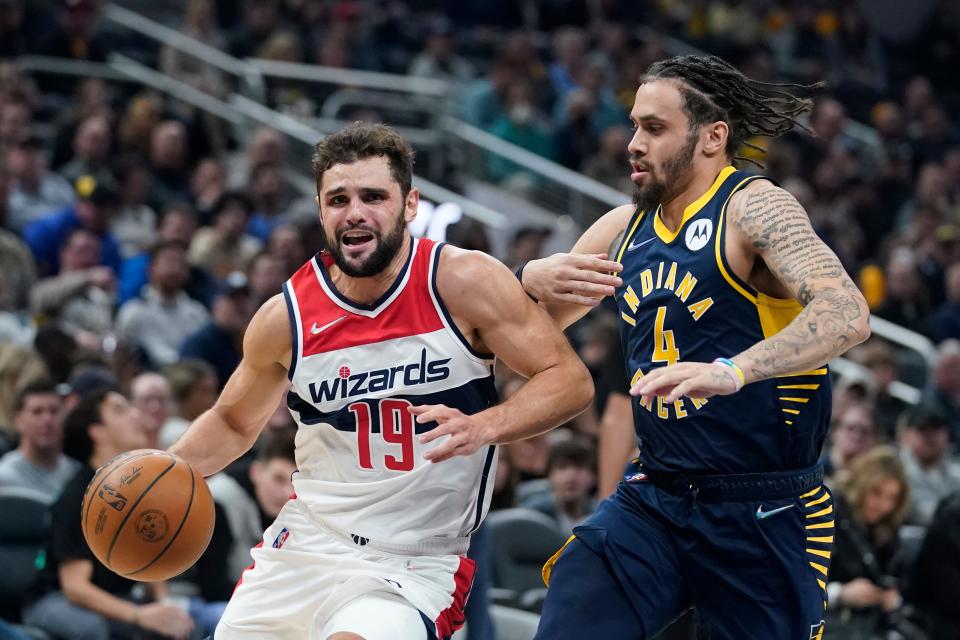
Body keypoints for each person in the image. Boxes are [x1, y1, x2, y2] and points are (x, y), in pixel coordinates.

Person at [169, 122, 593, 640]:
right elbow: (233, 422)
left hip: (413, 560)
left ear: (410, 204)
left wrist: (485, 426)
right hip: (306, 544)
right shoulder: (287, 316)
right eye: (338, 199)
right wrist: (165, 472)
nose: (355, 212)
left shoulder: (462, 282)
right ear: (322, 210)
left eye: (374, 196)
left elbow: (569, 380)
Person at [520, 54, 872, 639]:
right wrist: (527, 278)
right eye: (634, 125)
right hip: (654, 499)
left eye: (654, 129)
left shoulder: (754, 208)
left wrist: (732, 371)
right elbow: (521, 342)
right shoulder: (619, 229)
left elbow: (848, 314)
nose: (633, 143)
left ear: (713, 137)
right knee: (570, 614)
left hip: (762, 509)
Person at [23, 387, 195, 640]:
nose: (136, 415)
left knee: (184, 627)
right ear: (97, 432)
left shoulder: (140, 488)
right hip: (55, 599)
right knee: (92, 629)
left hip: (116, 596)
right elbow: (75, 587)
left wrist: (164, 604)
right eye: (120, 410)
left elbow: (148, 555)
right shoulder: (77, 497)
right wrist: (141, 616)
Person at [0, 379, 77, 501]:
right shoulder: (4, 479)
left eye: (54, 411)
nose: (47, 419)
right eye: (37, 412)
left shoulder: (77, 475)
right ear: (19, 420)